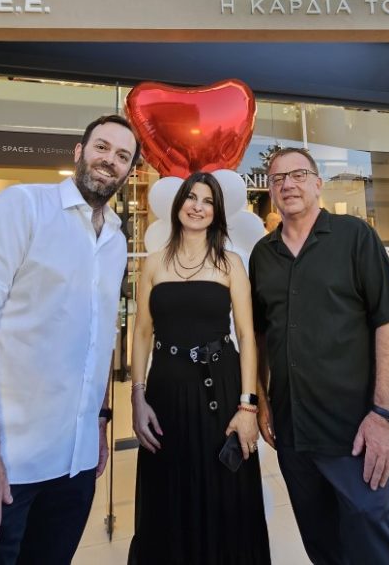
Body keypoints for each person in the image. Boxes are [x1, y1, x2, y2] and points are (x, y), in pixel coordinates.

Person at [0, 114, 140, 564]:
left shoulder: (116, 240)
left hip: (71, 469)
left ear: (129, 171)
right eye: (101, 147)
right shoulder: (22, 207)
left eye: (123, 155)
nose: (110, 160)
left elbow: (98, 339)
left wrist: (99, 423)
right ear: (78, 152)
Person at [249, 148, 389, 565]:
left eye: (298, 174)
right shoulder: (262, 255)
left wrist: (385, 416)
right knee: (322, 546)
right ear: (271, 191)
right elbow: (260, 335)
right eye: (278, 178)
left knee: (373, 545)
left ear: (318, 183)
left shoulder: (355, 236)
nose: (288, 184)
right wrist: (262, 400)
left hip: (354, 431)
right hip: (293, 433)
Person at [128, 171, 270, 564]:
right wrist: (137, 396)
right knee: (169, 488)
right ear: (179, 205)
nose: (198, 207)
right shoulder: (154, 263)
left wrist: (248, 407)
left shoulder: (230, 264)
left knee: (224, 489)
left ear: (216, 212)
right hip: (166, 390)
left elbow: (246, 336)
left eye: (208, 201)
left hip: (219, 388)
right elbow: (142, 333)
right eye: (192, 197)